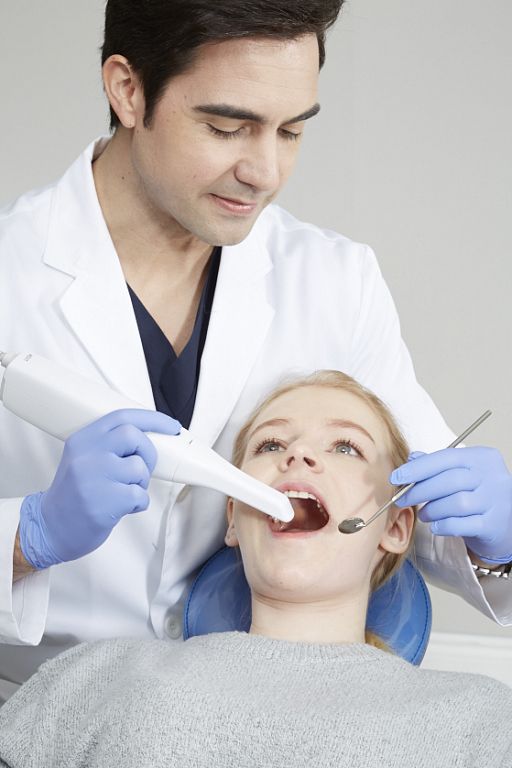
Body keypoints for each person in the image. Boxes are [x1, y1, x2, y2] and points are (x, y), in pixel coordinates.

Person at [1, 0, 511, 700]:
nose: (265, 171)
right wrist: (28, 536)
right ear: (128, 90)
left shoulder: (333, 279)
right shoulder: (11, 276)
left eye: (292, 130)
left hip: (258, 707)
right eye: (226, 127)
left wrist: (500, 542)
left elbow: (406, 506)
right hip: (37, 714)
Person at [0, 371, 510, 768]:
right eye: (270, 445)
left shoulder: (477, 720)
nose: (299, 454)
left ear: (395, 527)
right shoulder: (96, 678)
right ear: (233, 520)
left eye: (345, 447)